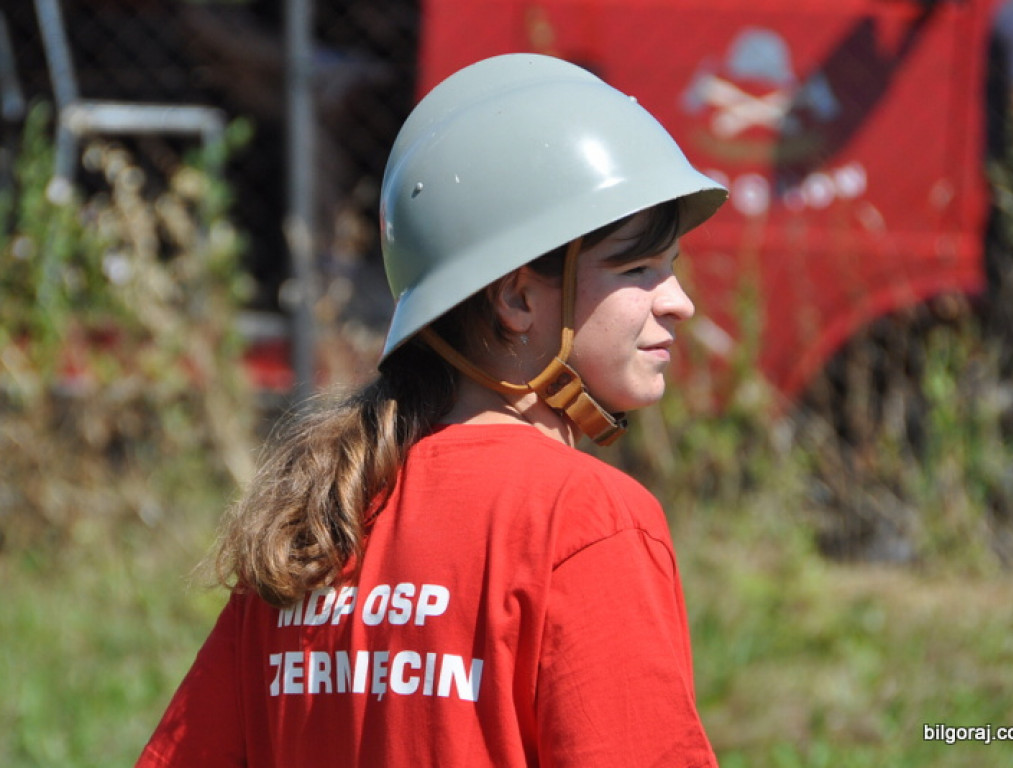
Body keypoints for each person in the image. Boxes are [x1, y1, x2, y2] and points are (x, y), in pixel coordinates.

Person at [136, 53, 728, 767]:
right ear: (516, 298)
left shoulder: (316, 520)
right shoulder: (585, 522)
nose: (678, 301)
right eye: (637, 270)